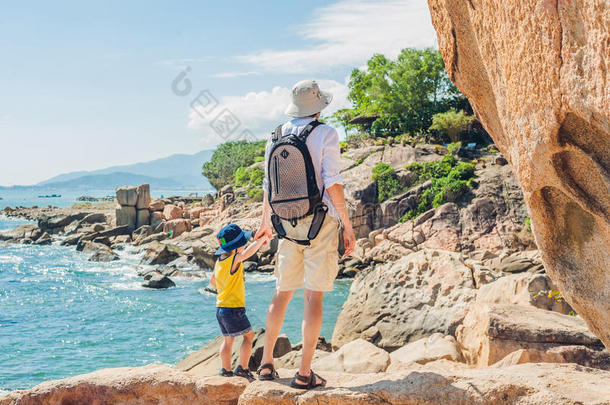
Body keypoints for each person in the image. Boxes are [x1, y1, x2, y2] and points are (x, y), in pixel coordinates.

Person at [255, 79, 356, 389]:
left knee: (282, 292)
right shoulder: (326, 133)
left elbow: (268, 188)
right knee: (313, 296)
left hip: (285, 224)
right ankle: (303, 373)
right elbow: (333, 182)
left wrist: (264, 223)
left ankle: (267, 364)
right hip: (320, 222)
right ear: (318, 107)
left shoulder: (275, 136)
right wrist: (347, 226)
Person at [210, 223, 269, 378]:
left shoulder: (219, 262)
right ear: (235, 247)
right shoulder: (234, 259)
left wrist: (226, 284)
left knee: (228, 340)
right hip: (233, 308)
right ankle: (242, 368)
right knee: (249, 336)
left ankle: (225, 370)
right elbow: (247, 253)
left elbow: (213, 282)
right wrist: (260, 240)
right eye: (242, 243)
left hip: (221, 308)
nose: (244, 246)